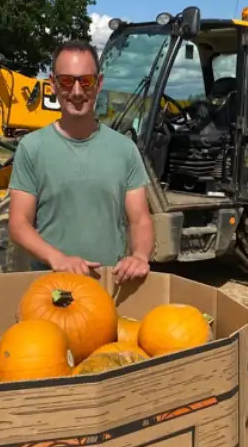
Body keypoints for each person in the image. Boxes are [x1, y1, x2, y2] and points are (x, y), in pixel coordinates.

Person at [8, 40, 154, 282]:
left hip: (109, 287)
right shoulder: (32, 148)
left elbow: (140, 219)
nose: (76, 91)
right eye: (66, 81)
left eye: (85, 81)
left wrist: (139, 255)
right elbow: (18, 223)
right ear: (53, 84)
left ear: (98, 84)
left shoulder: (125, 150)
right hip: (50, 288)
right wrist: (57, 258)